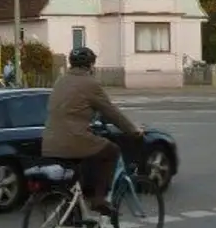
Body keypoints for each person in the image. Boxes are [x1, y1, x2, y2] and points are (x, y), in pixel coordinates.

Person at [41, 47, 142, 214]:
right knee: (111, 151)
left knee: (77, 176)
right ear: (90, 65)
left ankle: (70, 224)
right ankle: (99, 200)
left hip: (50, 141)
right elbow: (111, 112)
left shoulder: (60, 81)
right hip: (73, 139)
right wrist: (133, 130)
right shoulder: (90, 84)